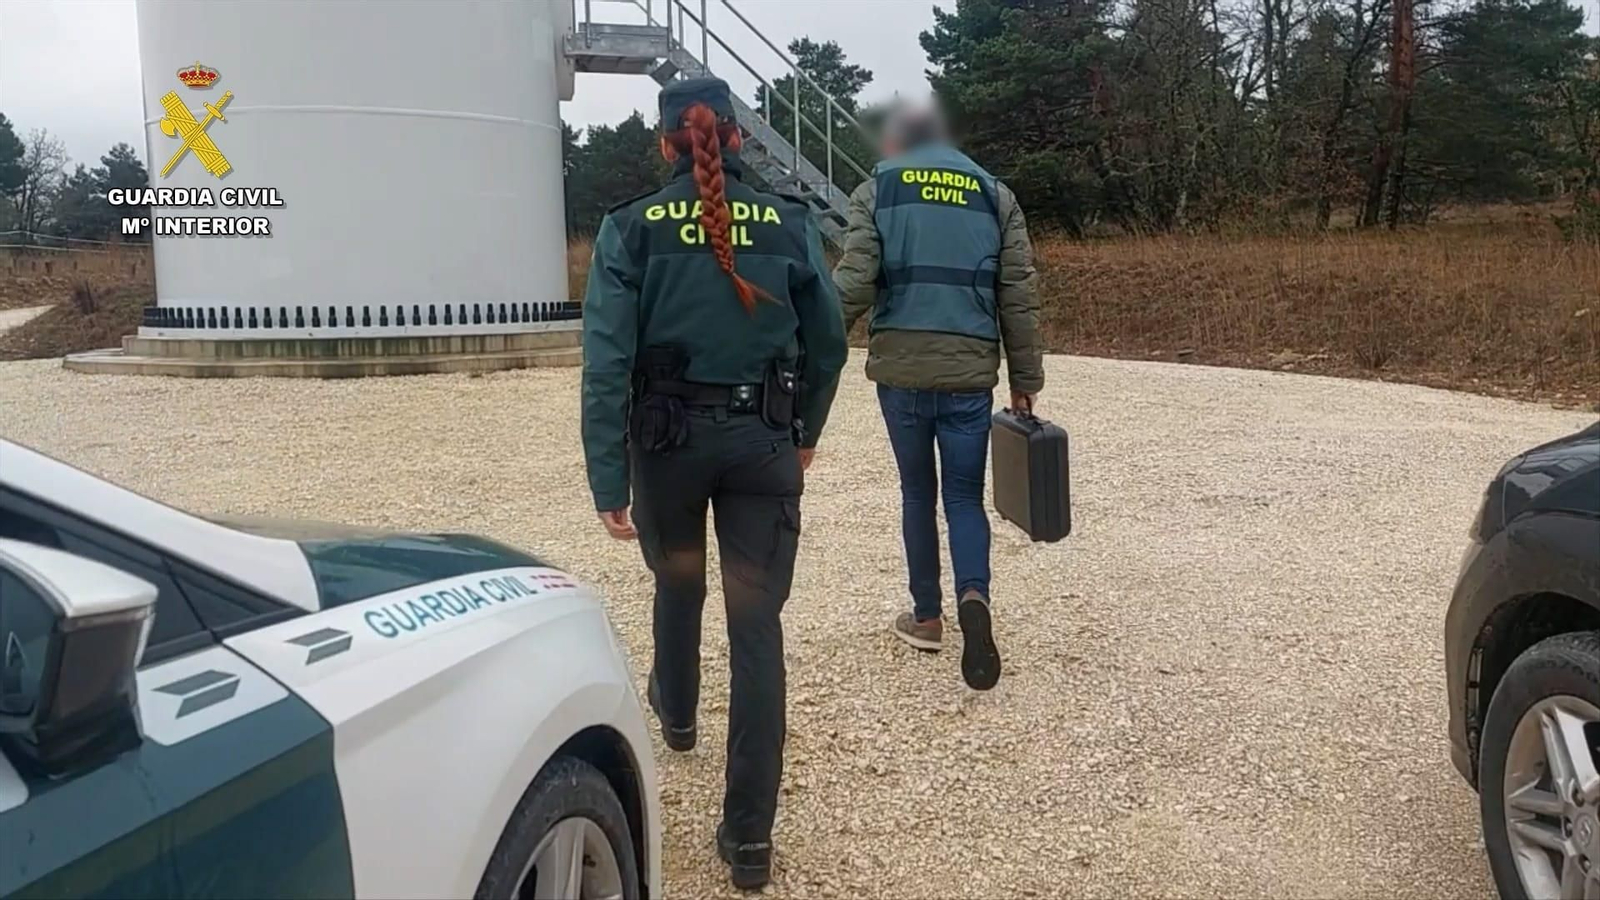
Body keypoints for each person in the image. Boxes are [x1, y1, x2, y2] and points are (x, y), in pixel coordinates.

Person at [580, 77, 847, 890]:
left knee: (678, 579)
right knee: (756, 628)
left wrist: (607, 473)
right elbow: (829, 344)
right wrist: (804, 433)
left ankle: (679, 714)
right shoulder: (792, 222)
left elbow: (607, 362)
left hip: (667, 445)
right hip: (762, 440)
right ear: (737, 138)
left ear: (666, 143)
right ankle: (750, 838)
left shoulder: (630, 227)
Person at [832, 102, 1044, 692]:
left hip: (901, 370)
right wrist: (1025, 378)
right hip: (969, 373)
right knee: (964, 497)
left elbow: (854, 283)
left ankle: (926, 618)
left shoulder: (877, 190)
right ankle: (974, 595)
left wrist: (811, 345)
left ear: (897, 142)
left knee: (917, 493)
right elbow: (1018, 295)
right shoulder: (995, 195)